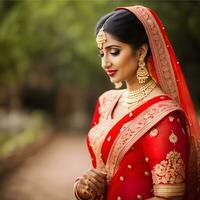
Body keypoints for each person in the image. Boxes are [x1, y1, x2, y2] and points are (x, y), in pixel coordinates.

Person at [73, 5, 200, 200]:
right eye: (101, 53)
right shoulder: (106, 101)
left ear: (140, 52)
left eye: (113, 51)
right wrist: (83, 187)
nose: (104, 63)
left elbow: (169, 198)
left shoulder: (165, 118)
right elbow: (100, 173)